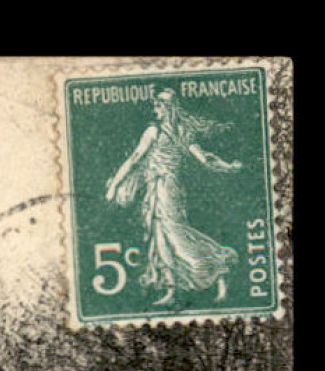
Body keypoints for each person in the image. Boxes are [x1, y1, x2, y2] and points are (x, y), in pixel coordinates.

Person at [104, 89, 243, 307]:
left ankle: (218, 262)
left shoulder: (156, 131)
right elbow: (205, 159)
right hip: (158, 188)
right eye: (155, 106)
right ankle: (172, 289)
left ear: (168, 108)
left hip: (166, 189)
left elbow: (134, 159)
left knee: (175, 234)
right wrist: (228, 167)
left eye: (159, 106)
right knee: (160, 237)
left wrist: (114, 185)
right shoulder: (180, 131)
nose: (155, 109)